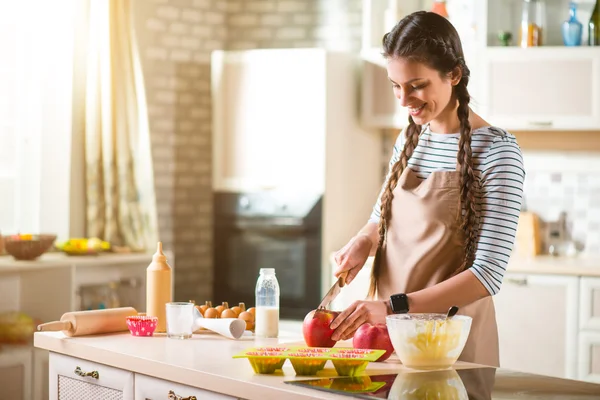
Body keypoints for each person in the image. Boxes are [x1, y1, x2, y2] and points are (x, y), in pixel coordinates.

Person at [329, 11, 525, 367]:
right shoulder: (410, 138)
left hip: (450, 345)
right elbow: (382, 218)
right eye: (395, 85)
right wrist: (363, 241)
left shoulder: (497, 151)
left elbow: (487, 274)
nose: (404, 100)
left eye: (416, 85)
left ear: (454, 74)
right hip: (386, 338)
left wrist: (391, 307)